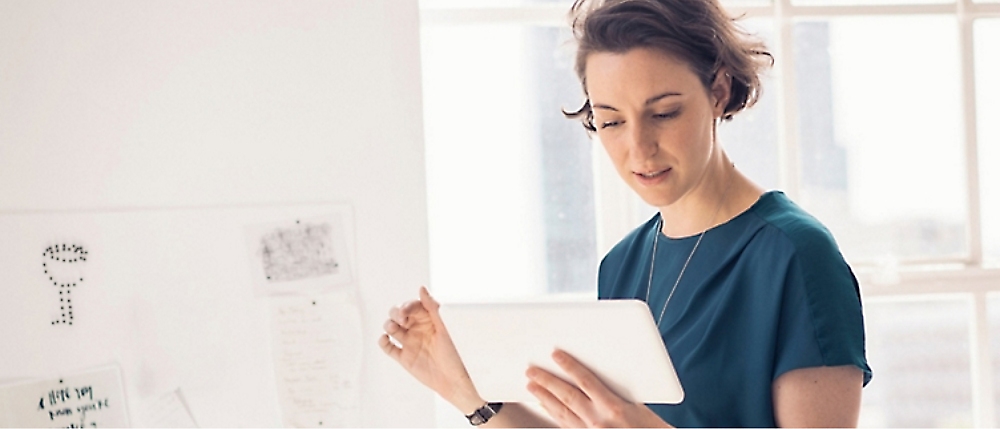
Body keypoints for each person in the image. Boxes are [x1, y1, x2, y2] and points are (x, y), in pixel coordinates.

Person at [379, 0, 872, 426]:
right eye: (610, 120)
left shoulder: (796, 256)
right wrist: (467, 393)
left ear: (718, 91)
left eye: (664, 113)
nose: (638, 147)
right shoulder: (623, 264)